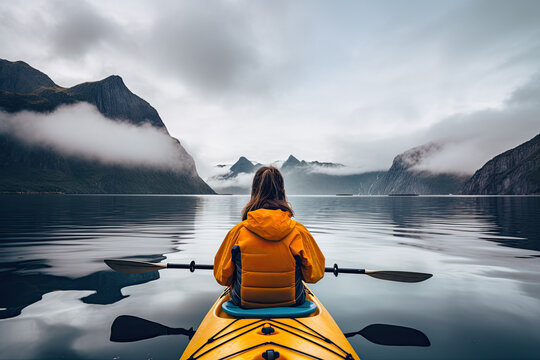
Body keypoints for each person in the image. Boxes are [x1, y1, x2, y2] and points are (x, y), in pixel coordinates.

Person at [214, 166, 325, 308]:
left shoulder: (238, 231)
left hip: (243, 301)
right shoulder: (298, 231)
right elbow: (314, 275)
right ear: (283, 193)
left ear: (253, 193)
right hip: (292, 301)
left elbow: (222, 277)